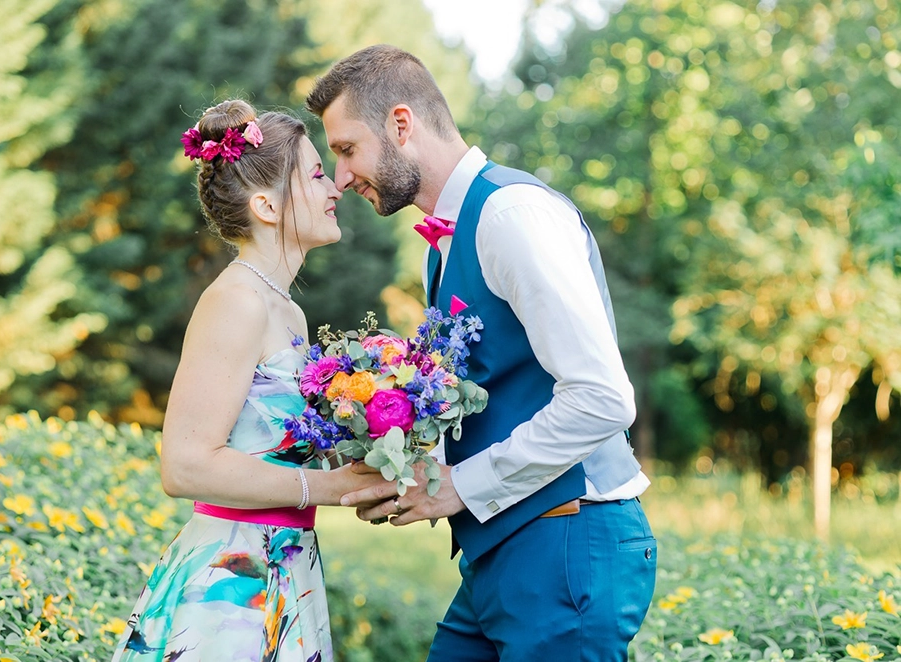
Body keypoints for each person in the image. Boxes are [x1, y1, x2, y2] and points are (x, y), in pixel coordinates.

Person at [306, 45, 657, 661]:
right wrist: (410, 465)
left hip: (567, 544)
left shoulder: (512, 216)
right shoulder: (439, 246)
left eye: (345, 149)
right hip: (505, 550)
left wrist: (457, 487)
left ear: (401, 123)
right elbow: (490, 391)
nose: (340, 178)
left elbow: (603, 400)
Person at [111, 99, 387, 662]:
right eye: (315, 174)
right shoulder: (235, 303)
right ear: (266, 204)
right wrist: (322, 489)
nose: (335, 188)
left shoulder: (285, 311)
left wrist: (384, 446)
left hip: (287, 563)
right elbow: (185, 464)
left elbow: (272, 451)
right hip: (230, 583)